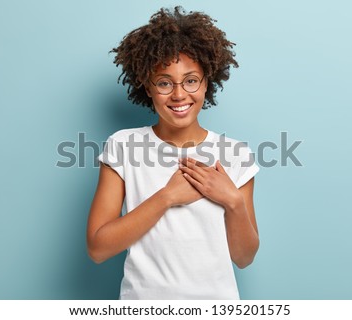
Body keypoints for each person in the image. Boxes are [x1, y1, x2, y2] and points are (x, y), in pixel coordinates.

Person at [87, 6, 260, 300]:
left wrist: (232, 200)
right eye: (165, 82)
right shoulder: (123, 146)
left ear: (207, 82)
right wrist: (167, 197)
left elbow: (244, 258)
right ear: (147, 86)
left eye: (191, 80)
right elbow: (98, 248)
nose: (179, 94)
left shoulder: (236, 155)